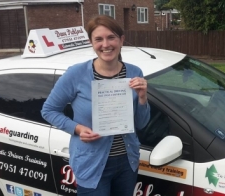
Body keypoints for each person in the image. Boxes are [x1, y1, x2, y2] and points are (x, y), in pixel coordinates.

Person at [41, 15, 150, 196]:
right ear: (91, 42)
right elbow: (48, 110)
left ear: (121, 40)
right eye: (98, 39)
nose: (106, 44)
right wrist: (77, 128)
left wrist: (142, 98)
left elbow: (140, 123)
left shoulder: (134, 72)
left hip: (127, 161)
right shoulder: (76, 74)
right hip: (91, 163)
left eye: (111, 37)